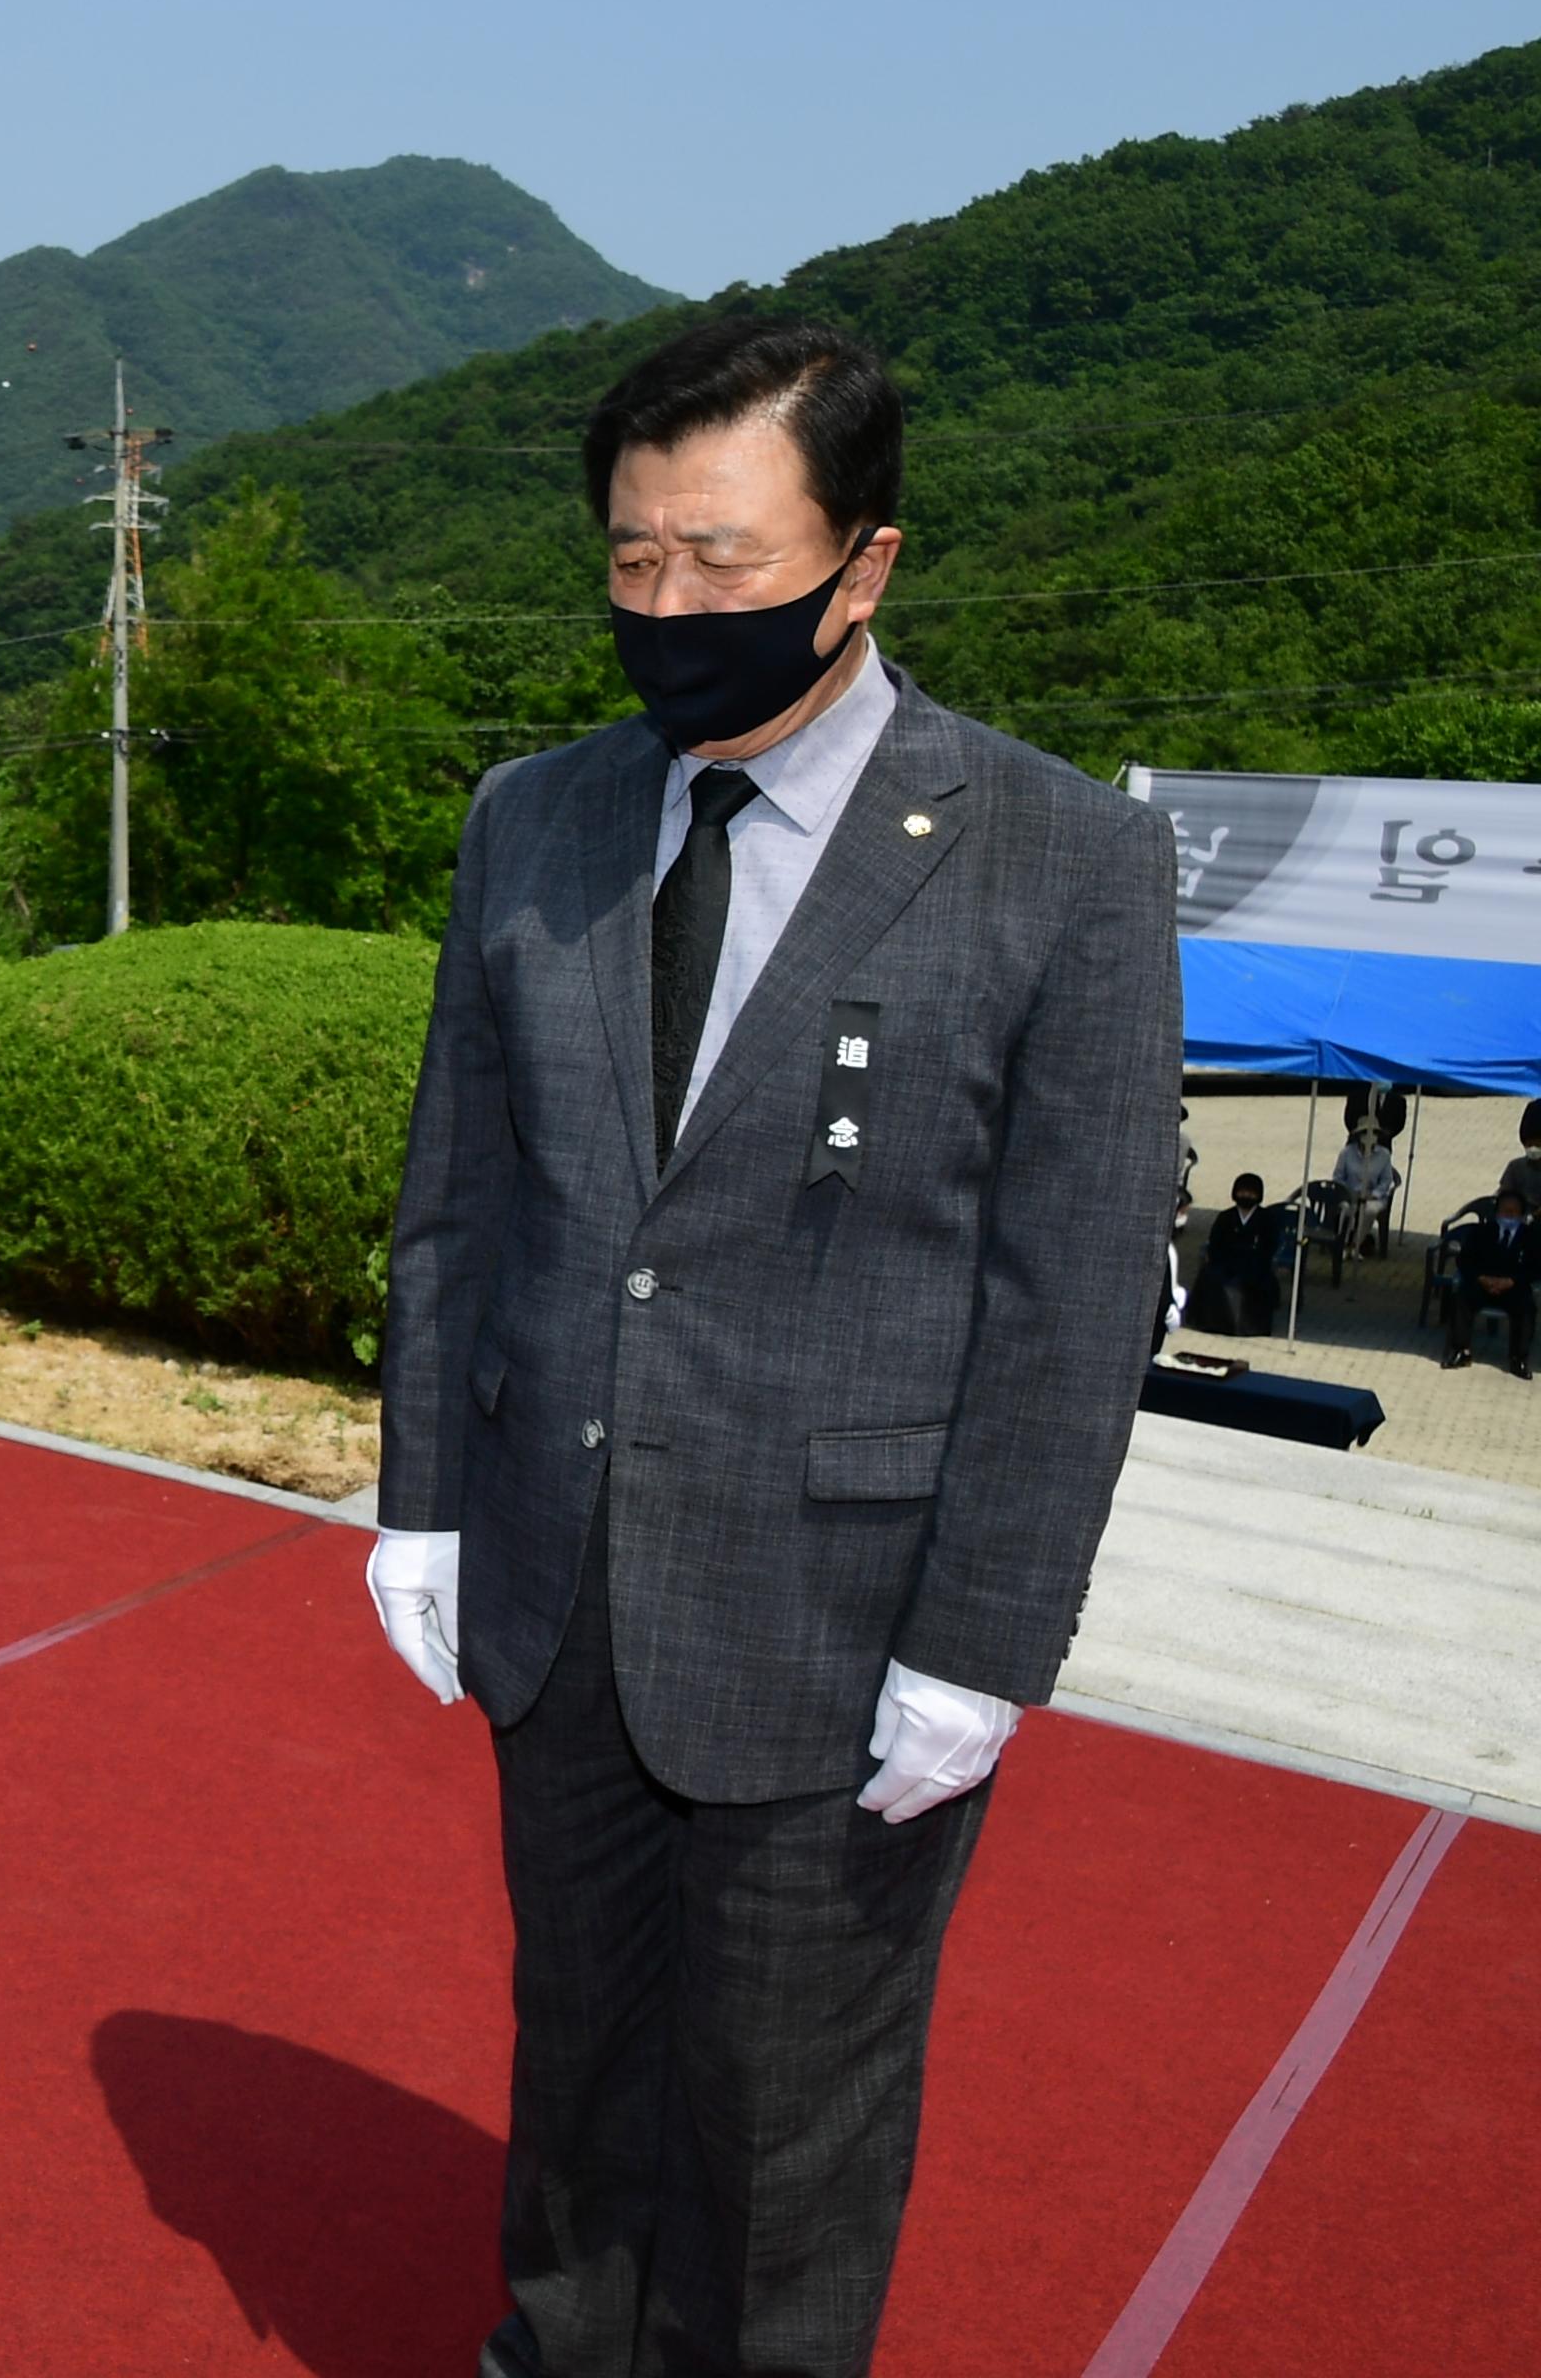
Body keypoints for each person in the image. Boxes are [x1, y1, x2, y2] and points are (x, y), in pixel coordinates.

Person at [369, 314, 1179, 2378]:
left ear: (865, 561)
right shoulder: (531, 822)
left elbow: (1069, 1295)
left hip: (841, 1626)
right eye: (633, 561)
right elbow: (463, 1190)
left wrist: (984, 1647)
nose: (670, 607)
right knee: (579, 2082)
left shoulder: (1058, 859)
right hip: (558, 1595)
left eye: (723, 560)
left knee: (781, 2135)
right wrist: (426, 1507)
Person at [1443, 1187, 1537, 1375]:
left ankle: (1518, 1358)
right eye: (1505, 1211)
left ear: (1522, 1214)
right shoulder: (1482, 1232)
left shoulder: (1531, 1237)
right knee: (1461, 1298)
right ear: (1497, 1213)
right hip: (1482, 1284)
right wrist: (1482, 1278)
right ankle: (1461, 1350)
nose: (1509, 1215)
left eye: (1514, 1212)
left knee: (1527, 1307)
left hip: (1513, 1287)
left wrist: (1511, 1281)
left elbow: (1536, 1267)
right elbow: (1465, 1260)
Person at [1186, 1174, 1291, 1336]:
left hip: (1255, 1264)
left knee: (1257, 1283)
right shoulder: (1225, 1217)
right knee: (1211, 1277)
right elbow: (1215, 1244)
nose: (1246, 1196)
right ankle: (1214, 1323)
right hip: (1226, 1261)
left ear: (1259, 1195)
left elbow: (1270, 1246)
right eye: (1242, 1192)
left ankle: (1248, 1326)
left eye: (1251, 1193)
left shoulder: (1266, 1219)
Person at [1330, 1122, 1401, 1257]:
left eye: (1374, 1133)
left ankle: (1355, 1245)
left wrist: (1373, 1194)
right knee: (1345, 1209)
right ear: (1358, 1136)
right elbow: (1337, 1177)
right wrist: (1349, 1192)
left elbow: (1387, 1181)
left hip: (1373, 1197)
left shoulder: (1384, 1155)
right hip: (1349, 1194)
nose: (1369, 1136)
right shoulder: (1346, 1153)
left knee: (1370, 1210)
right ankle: (1343, 1244)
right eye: (1365, 1133)